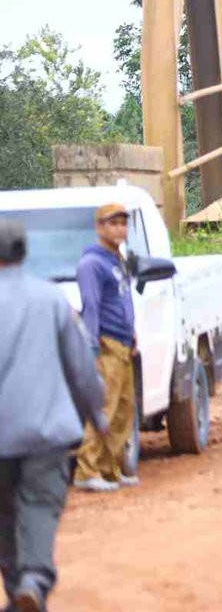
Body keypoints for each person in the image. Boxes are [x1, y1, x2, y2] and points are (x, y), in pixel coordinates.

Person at [1, 219, 108, 612]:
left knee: (6, 519)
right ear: (23, 253)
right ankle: (33, 580)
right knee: (39, 507)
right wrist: (97, 414)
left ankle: (18, 590)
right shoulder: (51, 301)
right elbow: (81, 369)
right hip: (46, 435)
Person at [72, 204, 137, 495]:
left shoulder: (116, 259)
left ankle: (110, 470)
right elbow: (92, 307)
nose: (120, 229)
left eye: (123, 223)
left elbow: (121, 301)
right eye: (113, 223)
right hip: (106, 344)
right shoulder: (92, 264)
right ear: (99, 227)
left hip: (123, 343)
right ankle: (86, 470)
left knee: (123, 411)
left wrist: (132, 331)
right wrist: (92, 348)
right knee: (104, 408)